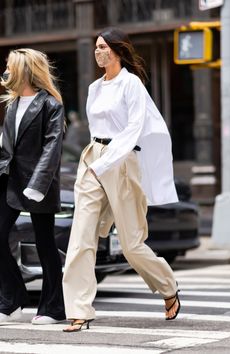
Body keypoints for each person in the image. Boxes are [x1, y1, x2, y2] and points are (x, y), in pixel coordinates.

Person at [62, 27, 181, 333]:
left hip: (122, 161)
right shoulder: (94, 88)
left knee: (131, 244)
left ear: (117, 50)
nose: (98, 52)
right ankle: (79, 310)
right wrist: (93, 162)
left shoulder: (132, 85)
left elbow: (132, 130)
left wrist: (106, 163)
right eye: (96, 48)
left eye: (103, 47)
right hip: (93, 158)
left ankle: (167, 285)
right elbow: (94, 128)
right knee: (81, 237)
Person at [0, 48, 65, 324]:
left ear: (24, 70)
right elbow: (6, 146)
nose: (6, 71)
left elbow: (53, 147)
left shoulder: (51, 105)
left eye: (10, 66)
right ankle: (12, 300)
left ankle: (53, 308)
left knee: (45, 243)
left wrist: (38, 183)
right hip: (10, 181)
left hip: (39, 182)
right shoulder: (12, 104)